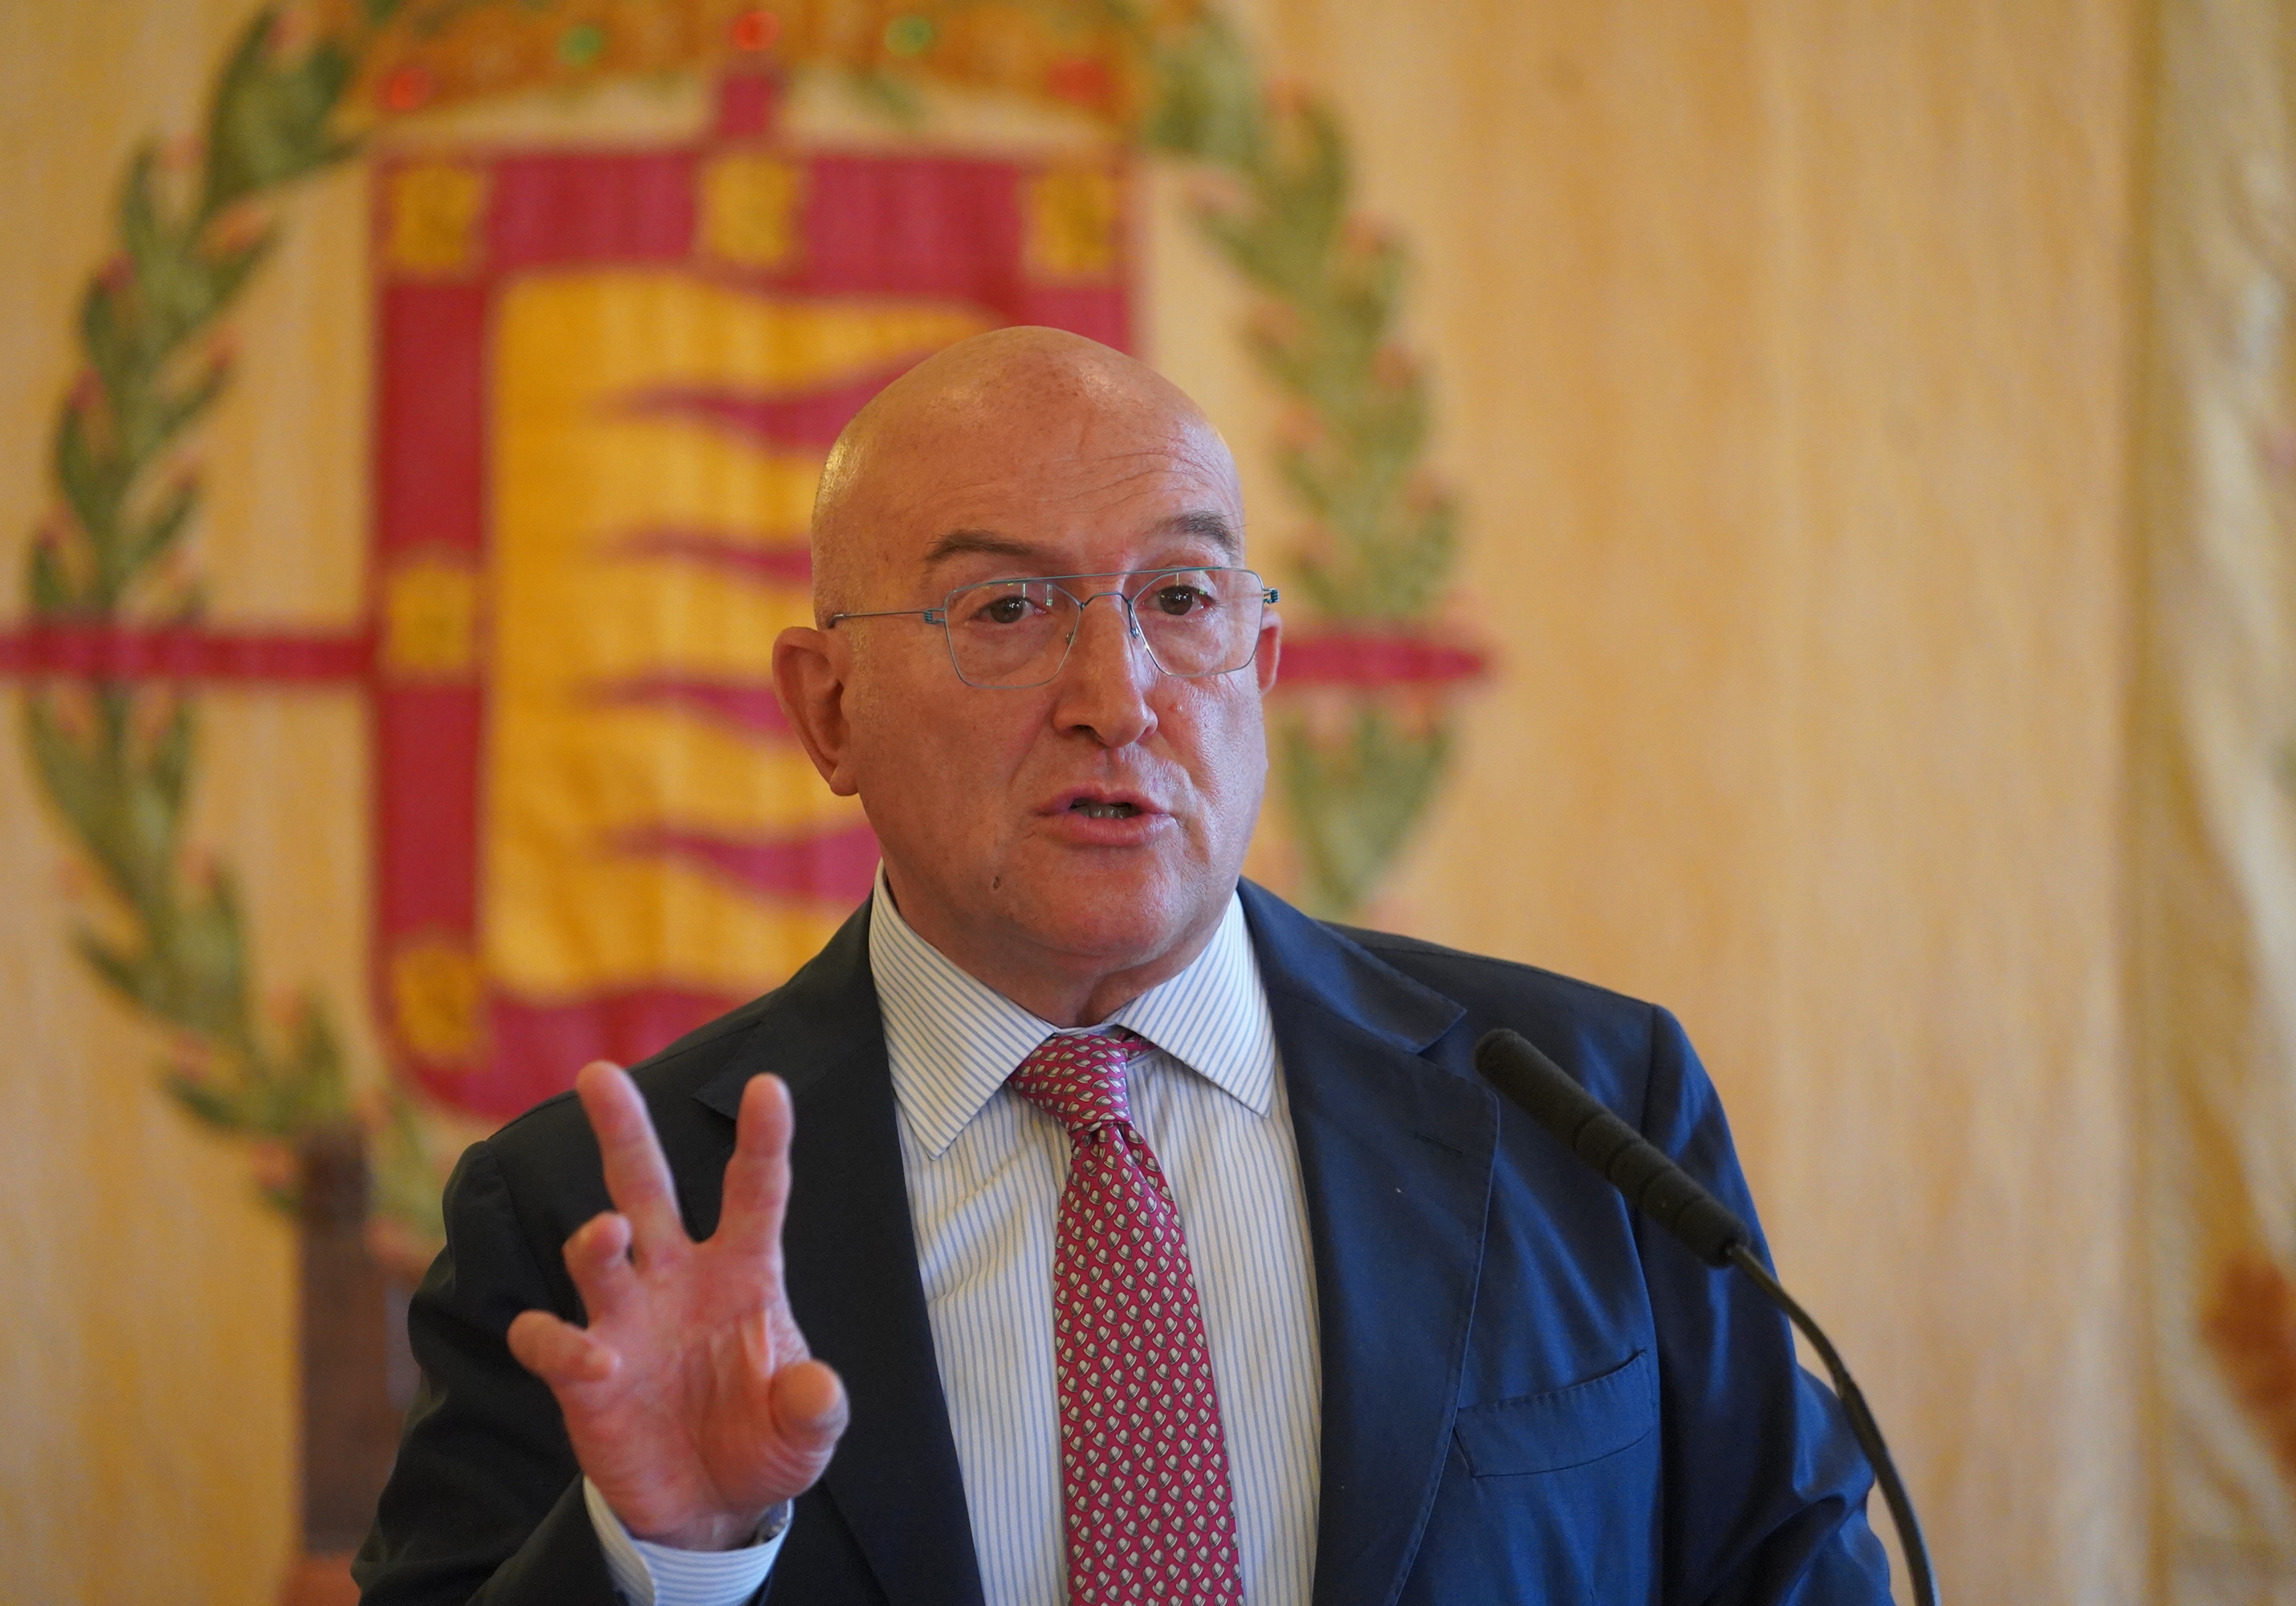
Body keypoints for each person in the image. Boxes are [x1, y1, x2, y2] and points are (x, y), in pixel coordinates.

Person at [355, 328, 1893, 1605]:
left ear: (1261, 666)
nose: (1119, 695)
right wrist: (665, 1565)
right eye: (1007, 609)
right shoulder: (586, 1225)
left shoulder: (1587, 1112)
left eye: (1179, 600)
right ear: (830, 710)